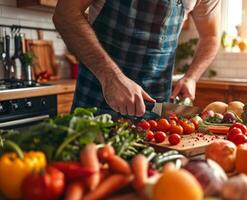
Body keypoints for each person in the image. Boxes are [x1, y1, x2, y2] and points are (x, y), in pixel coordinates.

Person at [53, 0, 220, 118]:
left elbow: (211, 36)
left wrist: (191, 77)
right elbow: (65, 14)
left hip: (156, 110)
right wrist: (112, 78)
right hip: (97, 98)